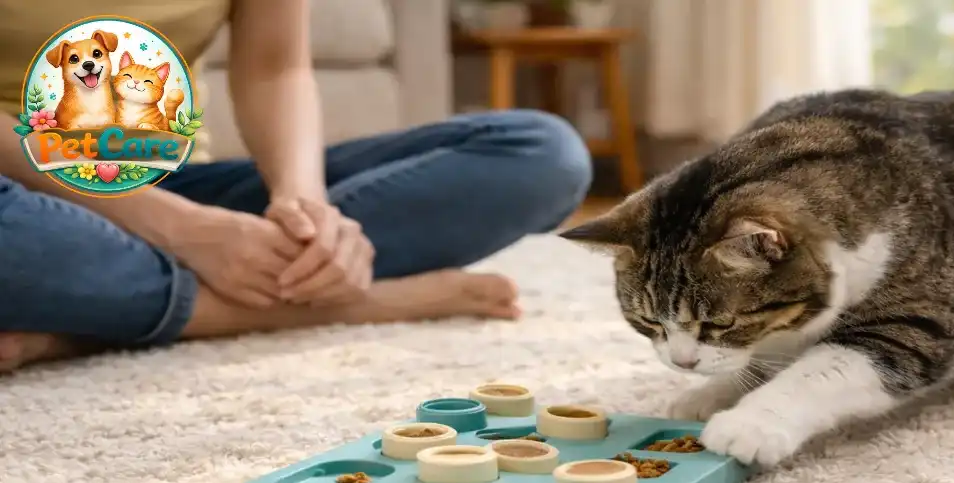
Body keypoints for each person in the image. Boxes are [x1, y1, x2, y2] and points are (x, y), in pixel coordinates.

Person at [0, 0, 593, 373]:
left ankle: (94, 312)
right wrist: (177, 228)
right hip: (21, 193)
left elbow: (276, 67)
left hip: (177, 183)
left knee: (542, 153)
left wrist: (303, 207)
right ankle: (348, 305)